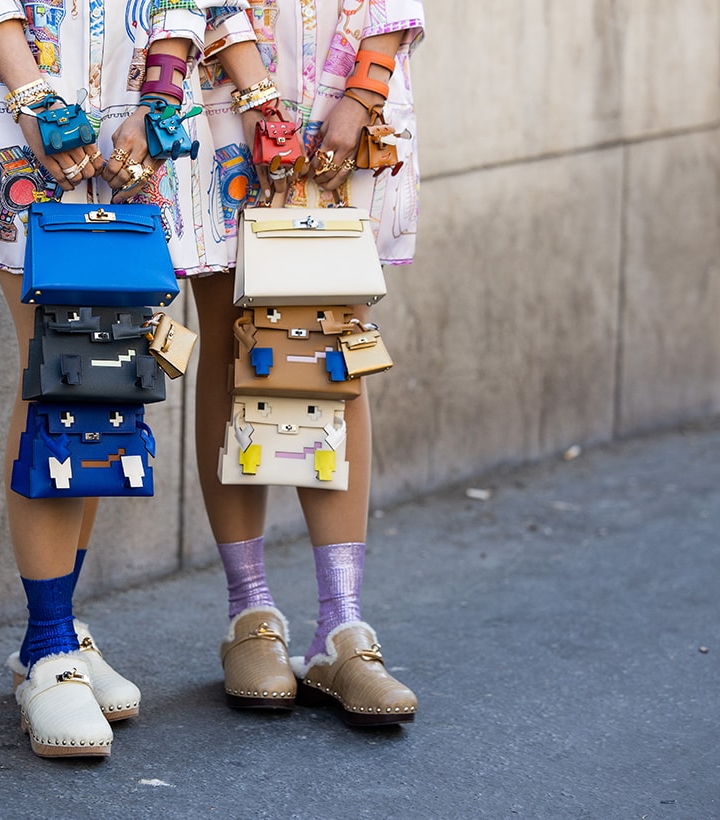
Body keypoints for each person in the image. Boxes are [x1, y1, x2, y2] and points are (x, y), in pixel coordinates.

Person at [0, 0, 247, 758]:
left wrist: (159, 94)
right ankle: (49, 648)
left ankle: (53, 636)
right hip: (13, 99)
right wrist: (30, 92)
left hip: (133, 111)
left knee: (105, 376)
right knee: (63, 370)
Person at [185, 0, 426, 727]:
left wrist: (363, 90)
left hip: (346, 93)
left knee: (332, 340)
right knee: (234, 343)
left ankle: (341, 628)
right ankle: (248, 616)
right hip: (225, 95)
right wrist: (257, 95)